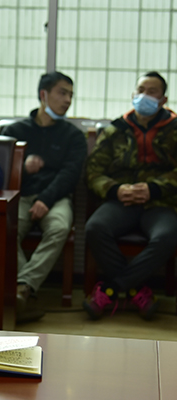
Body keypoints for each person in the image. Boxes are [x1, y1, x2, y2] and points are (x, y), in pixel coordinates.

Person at [84, 71, 177, 321]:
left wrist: (154, 188)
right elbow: (93, 172)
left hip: (161, 202)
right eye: (140, 90)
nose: (144, 96)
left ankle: (111, 289)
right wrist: (116, 189)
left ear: (163, 99)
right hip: (121, 201)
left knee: (168, 236)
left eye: (152, 92)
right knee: (95, 228)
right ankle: (137, 291)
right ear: (133, 94)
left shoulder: (174, 128)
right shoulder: (116, 129)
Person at [3, 71, 86, 322]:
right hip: (21, 196)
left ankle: (22, 289)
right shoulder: (14, 130)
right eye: (62, 93)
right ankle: (23, 291)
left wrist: (46, 200)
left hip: (56, 198)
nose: (68, 100)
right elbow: (1, 173)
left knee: (59, 228)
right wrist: (22, 167)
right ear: (43, 94)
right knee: (5, 228)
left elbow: (69, 175)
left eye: (71, 95)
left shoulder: (74, 136)